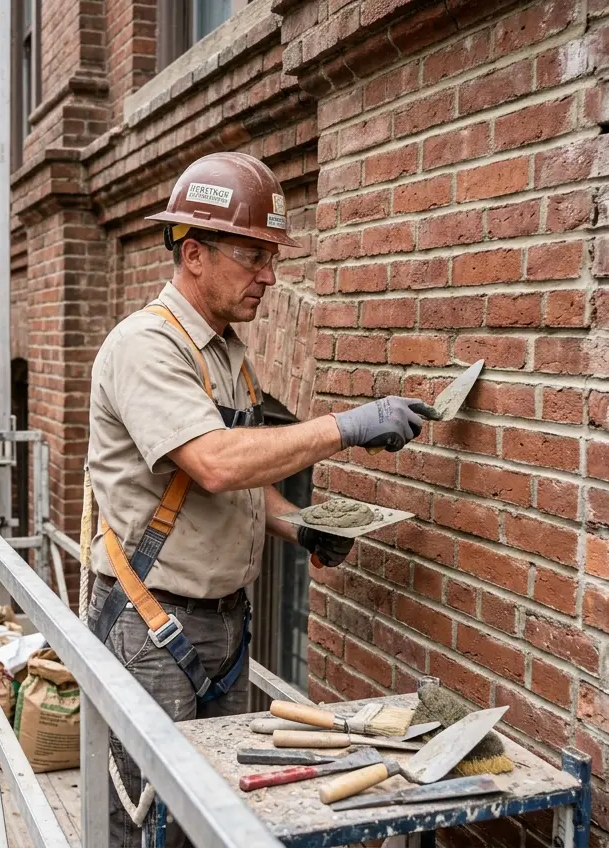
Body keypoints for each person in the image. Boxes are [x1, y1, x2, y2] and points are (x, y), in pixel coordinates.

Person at [86, 152, 424, 848]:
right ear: (195, 253)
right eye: (252, 255)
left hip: (223, 626)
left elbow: (241, 484)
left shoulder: (227, 353)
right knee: (147, 824)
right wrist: (345, 427)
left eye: (272, 256)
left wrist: (299, 527)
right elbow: (213, 464)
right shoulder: (147, 346)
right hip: (151, 624)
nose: (269, 275)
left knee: (211, 812)